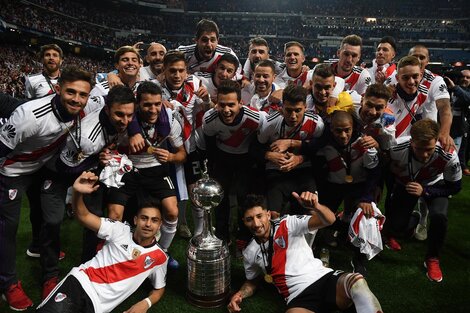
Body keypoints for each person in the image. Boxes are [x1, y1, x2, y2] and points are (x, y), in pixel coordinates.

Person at [0, 67, 95, 311]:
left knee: (47, 218)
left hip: (42, 168)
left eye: (82, 94)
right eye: (70, 92)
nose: (76, 99)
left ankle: (42, 259)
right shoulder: (29, 115)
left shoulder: (86, 109)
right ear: (57, 89)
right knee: (6, 229)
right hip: (12, 172)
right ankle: (8, 284)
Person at [227, 192, 383, 313]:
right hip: (298, 298)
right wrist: (240, 294)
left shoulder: (288, 223)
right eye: (249, 219)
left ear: (268, 215)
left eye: (259, 216)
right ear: (244, 221)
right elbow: (252, 281)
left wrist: (316, 207)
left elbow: (328, 220)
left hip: (324, 279)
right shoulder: (249, 252)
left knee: (356, 282)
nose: (256, 223)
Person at [36, 171, 167, 313]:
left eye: (154, 220)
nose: (148, 224)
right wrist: (77, 193)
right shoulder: (119, 229)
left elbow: (159, 288)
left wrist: (145, 303)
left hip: (98, 308)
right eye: (144, 218)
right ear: (135, 220)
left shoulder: (160, 257)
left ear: (160, 225)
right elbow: (83, 216)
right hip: (80, 283)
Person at [105, 81, 186, 269]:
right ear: (137, 104)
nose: (153, 109)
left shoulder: (169, 119)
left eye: (157, 104)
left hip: (157, 170)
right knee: (114, 214)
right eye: (147, 104)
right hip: (127, 170)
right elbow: (108, 145)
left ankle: (162, 253)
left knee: (172, 211)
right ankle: (116, 256)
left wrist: (172, 156)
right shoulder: (125, 119)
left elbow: (183, 154)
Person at [384, 119, 461, 282]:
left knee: (439, 217)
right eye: (419, 148)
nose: (424, 154)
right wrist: (391, 170)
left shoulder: (448, 154)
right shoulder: (397, 148)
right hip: (407, 184)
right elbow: (387, 171)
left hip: (434, 185)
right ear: (411, 142)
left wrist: (426, 191)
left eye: (429, 149)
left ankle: (432, 258)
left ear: (437, 141)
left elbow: (454, 187)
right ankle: (413, 220)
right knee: (396, 225)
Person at [202, 80, 265, 242]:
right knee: (220, 198)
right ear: (216, 103)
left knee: (244, 197)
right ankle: (222, 235)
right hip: (223, 159)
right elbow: (210, 145)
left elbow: (265, 137)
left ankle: (244, 235)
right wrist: (213, 166)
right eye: (222, 105)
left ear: (240, 103)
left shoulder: (256, 118)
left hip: (246, 160)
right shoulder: (209, 119)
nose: (226, 110)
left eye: (231, 105)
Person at [254, 84, 324, 217]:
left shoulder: (316, 123)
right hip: (276, 172)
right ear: (281, 108)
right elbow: (254, 148)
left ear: (305, 108)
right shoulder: (270, 123)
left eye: (298, 110)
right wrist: (268, 155)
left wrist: (299, 159)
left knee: (312, 212)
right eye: (289, 110)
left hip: (303, 171)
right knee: (273, 216)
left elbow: (320, 150)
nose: (293, 116)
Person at [447, 69, 470, 175]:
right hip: (444, 124)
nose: (464, 79)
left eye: (468, 77)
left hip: (459, 126)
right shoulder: (448, 88)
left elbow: (467, 99)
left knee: (456, 150)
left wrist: (455, 88)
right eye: (462, 76)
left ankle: (454, 172)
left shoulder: (466, 91)